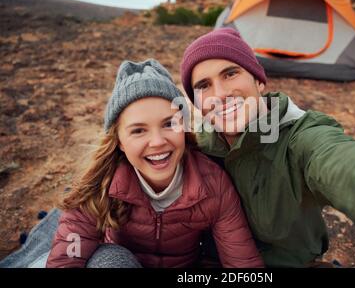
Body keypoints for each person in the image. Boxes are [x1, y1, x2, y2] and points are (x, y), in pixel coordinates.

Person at [179, 28, 355, 267]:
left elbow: (344, 163)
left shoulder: (300, 136)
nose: (220, 94)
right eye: (203, 86)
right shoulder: (199, 143)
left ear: (259, 81)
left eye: (231, 73)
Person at [46, 58, 264, 268]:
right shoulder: (101, 183)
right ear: (119, 141)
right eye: (139, 130)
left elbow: (241, 261)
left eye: (169, 124)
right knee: (109, 260)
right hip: (122, 262)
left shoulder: (214, 184)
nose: (158, 142)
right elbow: (68, 256)